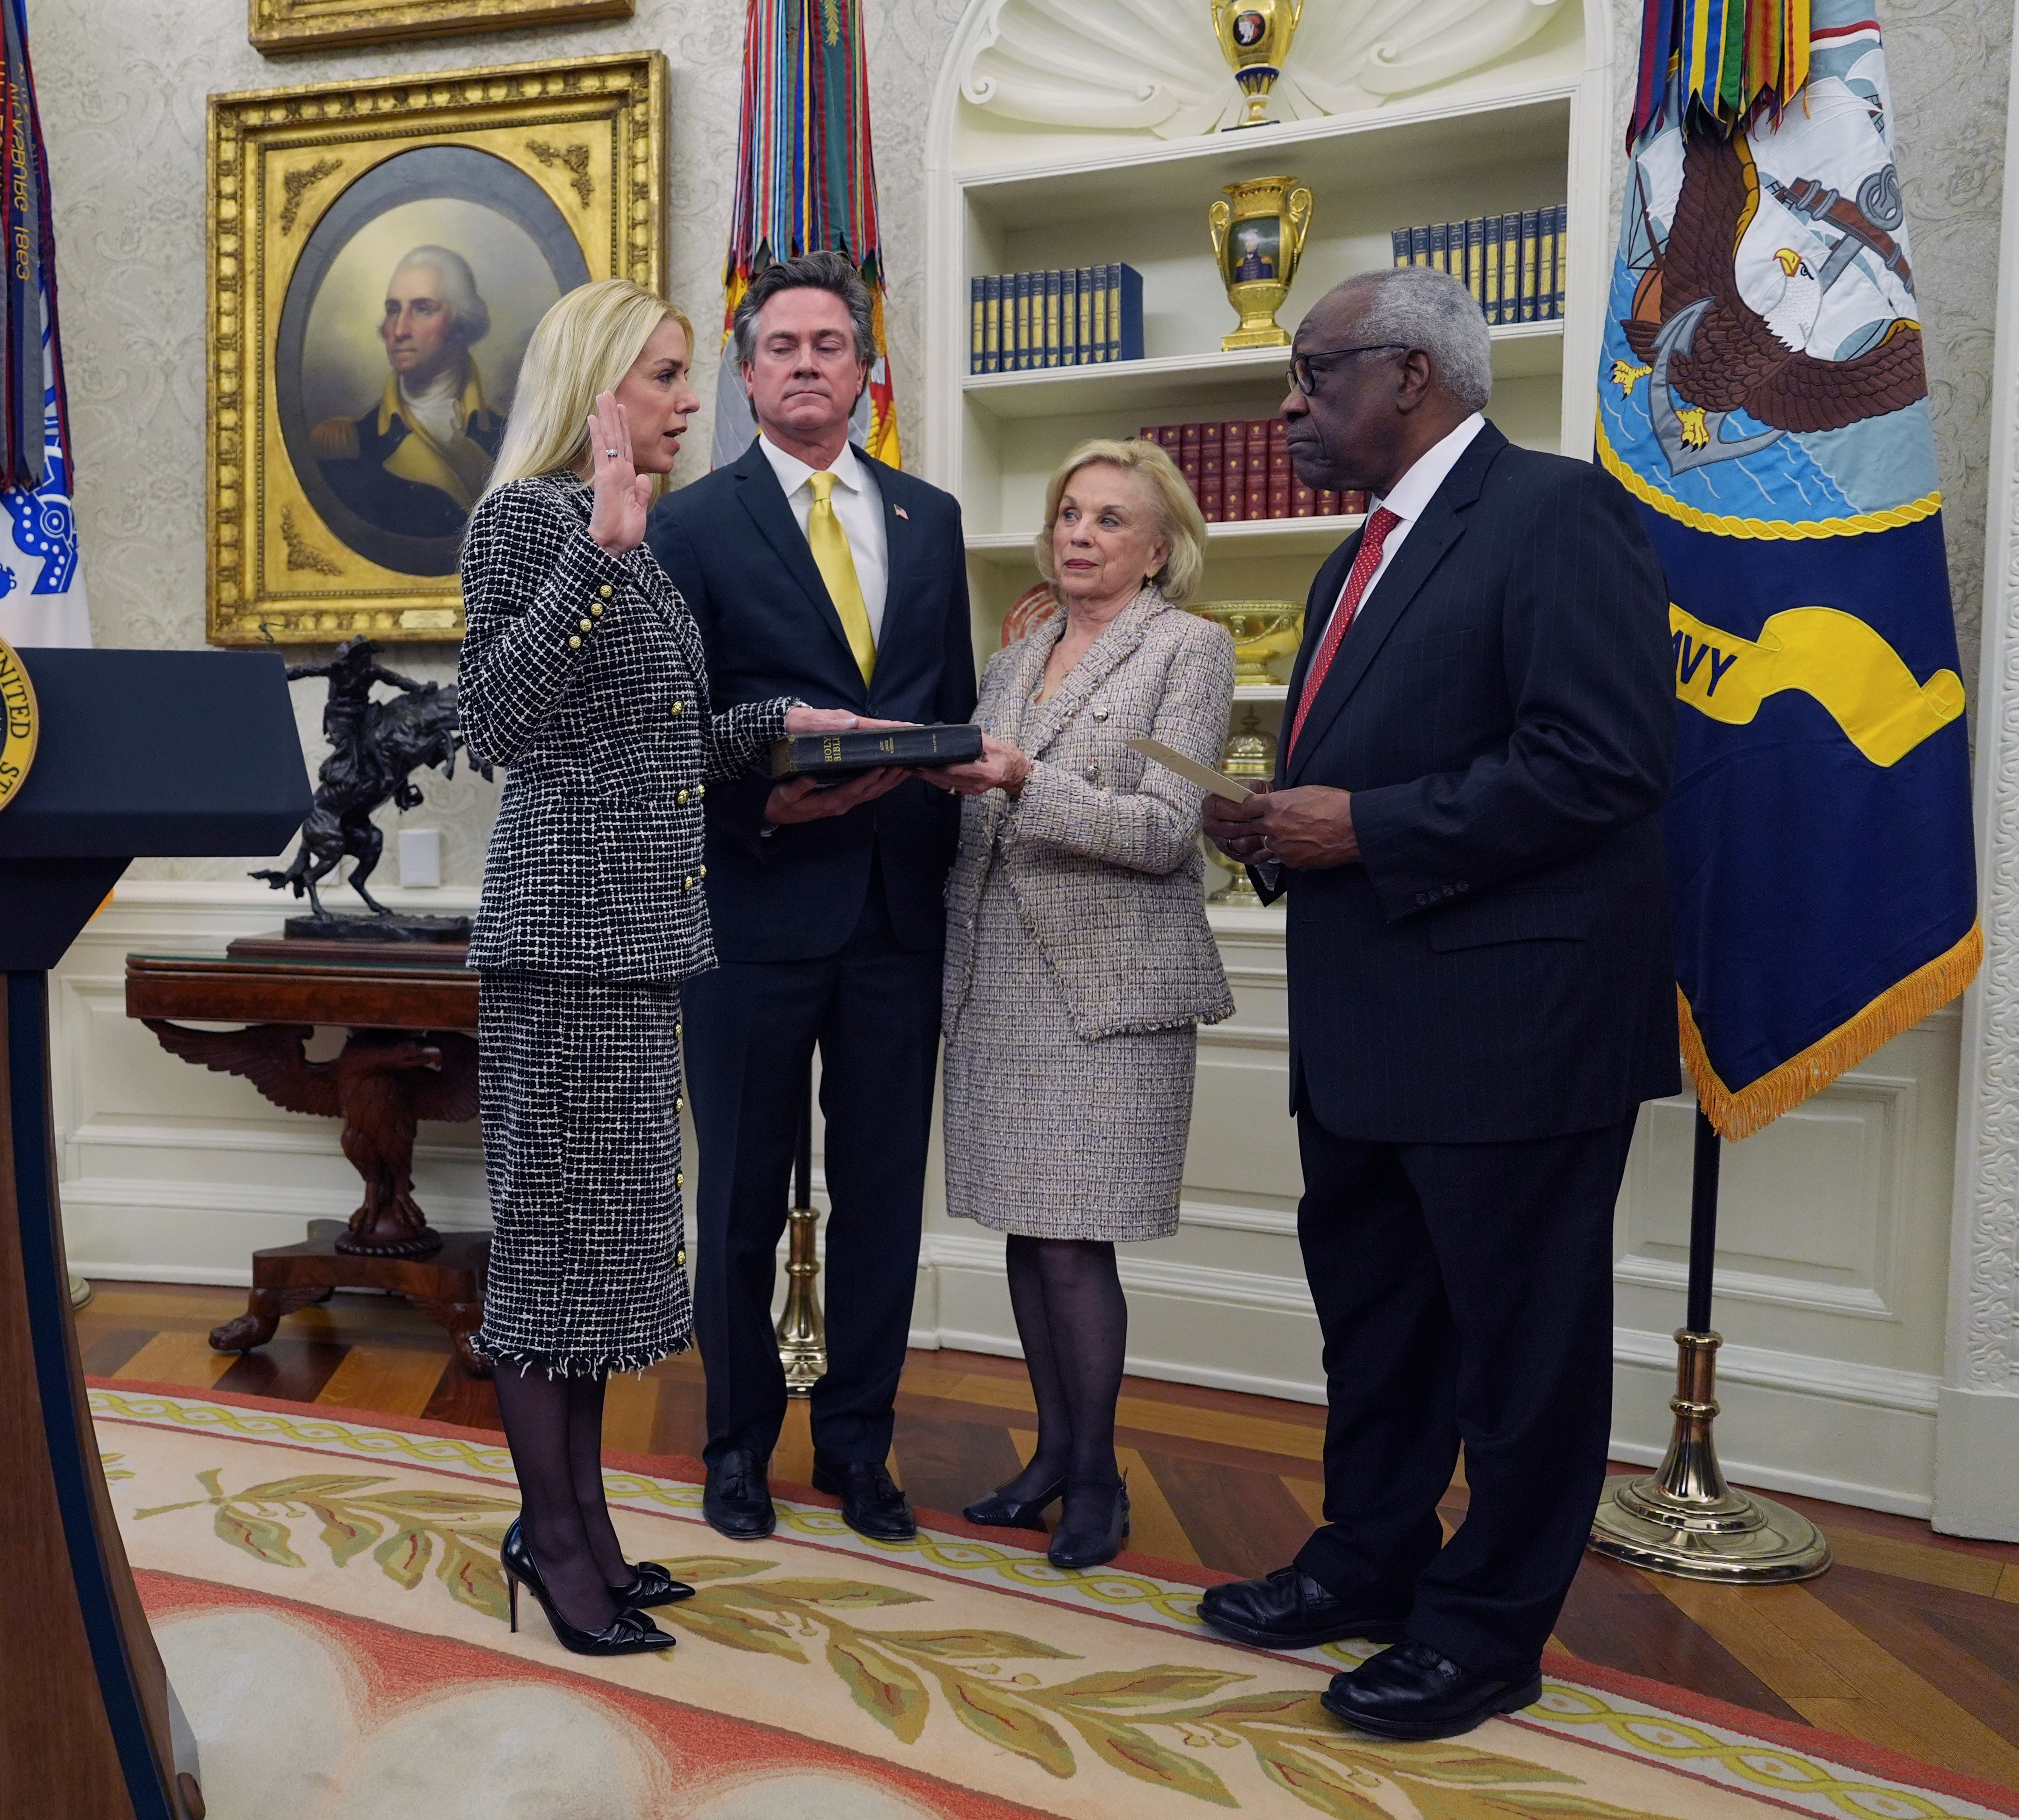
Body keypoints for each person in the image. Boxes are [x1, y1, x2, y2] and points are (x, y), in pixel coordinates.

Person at [1197, 268, 1676, 1741]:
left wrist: (1366, 827)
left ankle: (1482, 1631)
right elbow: (1390, 773)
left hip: (1510, 1033)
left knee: (1518, 1353)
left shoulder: (1552, 513)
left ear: (1409, 375)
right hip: (1365, 1027)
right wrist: (1277, 823)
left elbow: (1600, 764)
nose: (1287, 407)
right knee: (1378, 1325)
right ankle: (1369, 1557)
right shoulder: (1353, 560)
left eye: (1311, 375)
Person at [455, 277, 861, 1655]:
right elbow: (495, 722)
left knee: (601, 1262)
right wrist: (599, 555)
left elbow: (651, 739)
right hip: (561, 948)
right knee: (548, 1269)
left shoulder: (630, 539)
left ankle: (580, 1525)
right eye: (669, 375)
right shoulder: (527, 522)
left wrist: (772, 726)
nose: (693, 400)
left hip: (640, 946)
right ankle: (555, 1544)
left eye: (691, 376)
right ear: (597, 389)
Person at [646, 250, 977, 1546]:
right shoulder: (689, 524)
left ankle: (860, 1449)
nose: (804, 364)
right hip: (751, 904)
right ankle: (735, 1447)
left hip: (897, 912)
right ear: (745, 374)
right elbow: (667, 723)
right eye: (779, 346)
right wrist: (756, 803)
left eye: (828, 344)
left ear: (863, 369)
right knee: (735, 1190)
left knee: (886, 1193)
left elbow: (939, 703)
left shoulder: (930, 520)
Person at [919, 438, 1234, 1570]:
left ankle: (1100, 1480)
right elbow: (973, 821)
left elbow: (1163, 830)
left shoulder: (1192, 650)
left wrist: (1021, 781)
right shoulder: (1013, 658)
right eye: (1068, 512)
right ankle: (1051, 1457)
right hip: (996, 978)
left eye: (1109, 519)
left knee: (1074, 1246)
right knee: (1022, 1227)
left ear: (1158, 550)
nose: (1080, 535)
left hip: (1107, 994)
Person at [313, 245, 509, 538]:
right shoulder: (350, 444)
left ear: (460, 323)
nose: (399, 330)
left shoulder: (508, 434)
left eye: (422, 309)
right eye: (393, 310)